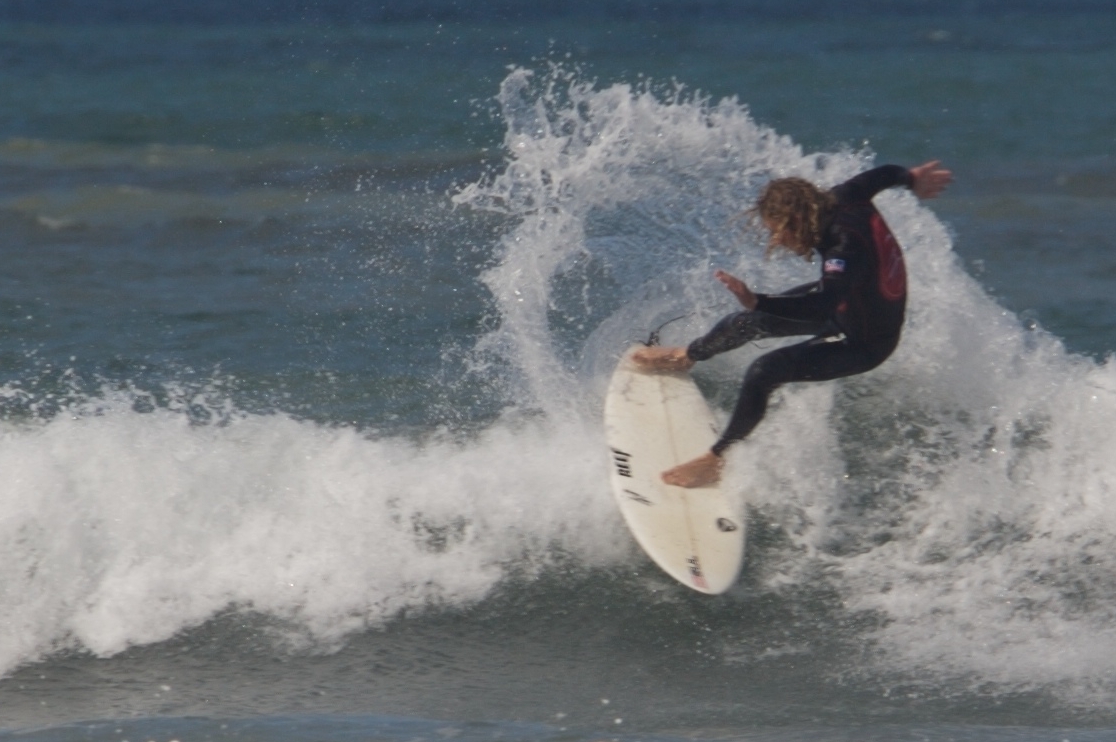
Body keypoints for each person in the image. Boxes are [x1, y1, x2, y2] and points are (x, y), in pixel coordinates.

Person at [632, 161, 953, 488]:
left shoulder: (845, 246)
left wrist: (760, 300)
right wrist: (910, 178)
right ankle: (686, 356)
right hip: (848, 301)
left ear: (796, 220)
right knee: (746, 323)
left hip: (867, 340)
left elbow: (820, 307)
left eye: (777, 230)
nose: (777, 240)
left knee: (764, 370)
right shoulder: (844, 196)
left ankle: (716, 459)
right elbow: (882, 174)